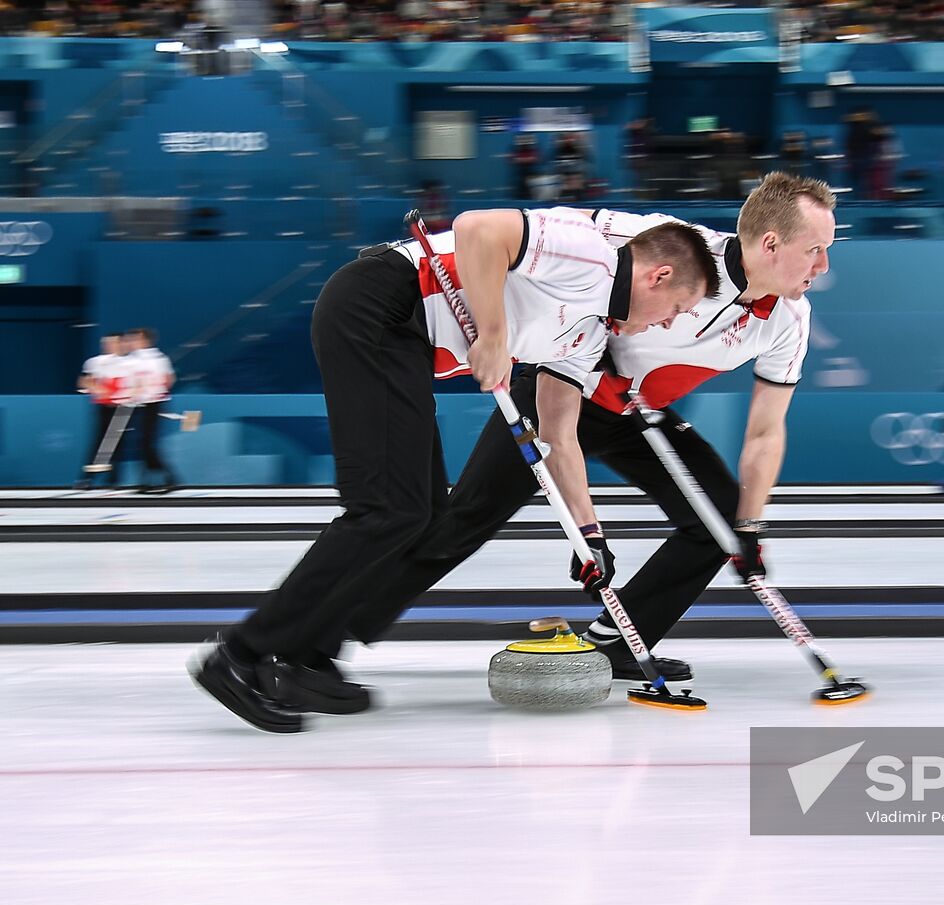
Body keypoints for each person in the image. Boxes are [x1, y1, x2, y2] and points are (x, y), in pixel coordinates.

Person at [190, 206, 721, 733]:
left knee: (421, 514)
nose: (670, 322)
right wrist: (492, 336)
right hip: (378, 303)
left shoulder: (587, 338)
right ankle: (240, 656)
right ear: (659, 275)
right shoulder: (588, 255)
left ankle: (303, 655)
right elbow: (476, 229)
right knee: (387, 507)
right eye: (676, 307)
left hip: (407, 342)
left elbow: (560, 436)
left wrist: (589, 536)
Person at [318, 172, 836, 685]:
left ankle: (617, 641)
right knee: (463, 520)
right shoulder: (674, 249)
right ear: (771, 243)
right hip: (560, 385)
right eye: (815, 249)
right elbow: (567, 236)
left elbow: (766, 432)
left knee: (721, 517)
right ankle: (330, 629)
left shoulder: (790, 320)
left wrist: (750, 527)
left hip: (634, 411)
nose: (824, 265)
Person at [121, 327, 178, 493]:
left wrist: (154, 392)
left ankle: (167, 477)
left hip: (152, 403)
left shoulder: (157, 359)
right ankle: (148, 480)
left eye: (134, 339)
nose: (131, 343)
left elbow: (168, 379)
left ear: (143, 340)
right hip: (139, 403)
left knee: (146, 442)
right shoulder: (132, 359)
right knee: (141, 443)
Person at [74, 332, 127, 488]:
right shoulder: (94, 362)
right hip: (103, 406)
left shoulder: (128, 363)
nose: (108, 346)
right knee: (99, 440)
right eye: (106, 343)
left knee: (118, 442)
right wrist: (97, 388)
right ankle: (86, 478)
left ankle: (114, 480)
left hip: (122, 406)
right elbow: (83, 381)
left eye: (112, 343)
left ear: (120, 344)